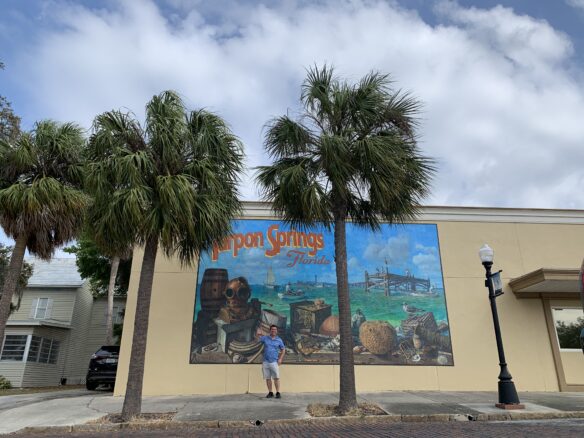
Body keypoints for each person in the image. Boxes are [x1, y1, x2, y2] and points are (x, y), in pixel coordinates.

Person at [260, 324, 285, 399]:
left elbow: (283, 349)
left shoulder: (279, 340)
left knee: (276, 378)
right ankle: (270, 392)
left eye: (275, 329)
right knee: (268, 378)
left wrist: (280, 359)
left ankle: (277, 392)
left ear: (276, 331)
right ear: (270, 330)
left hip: (274, 361)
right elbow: (258, 339)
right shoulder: (265, 338)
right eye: (272, 329)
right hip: (265, 362)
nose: (273, 331)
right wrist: (258, 334)